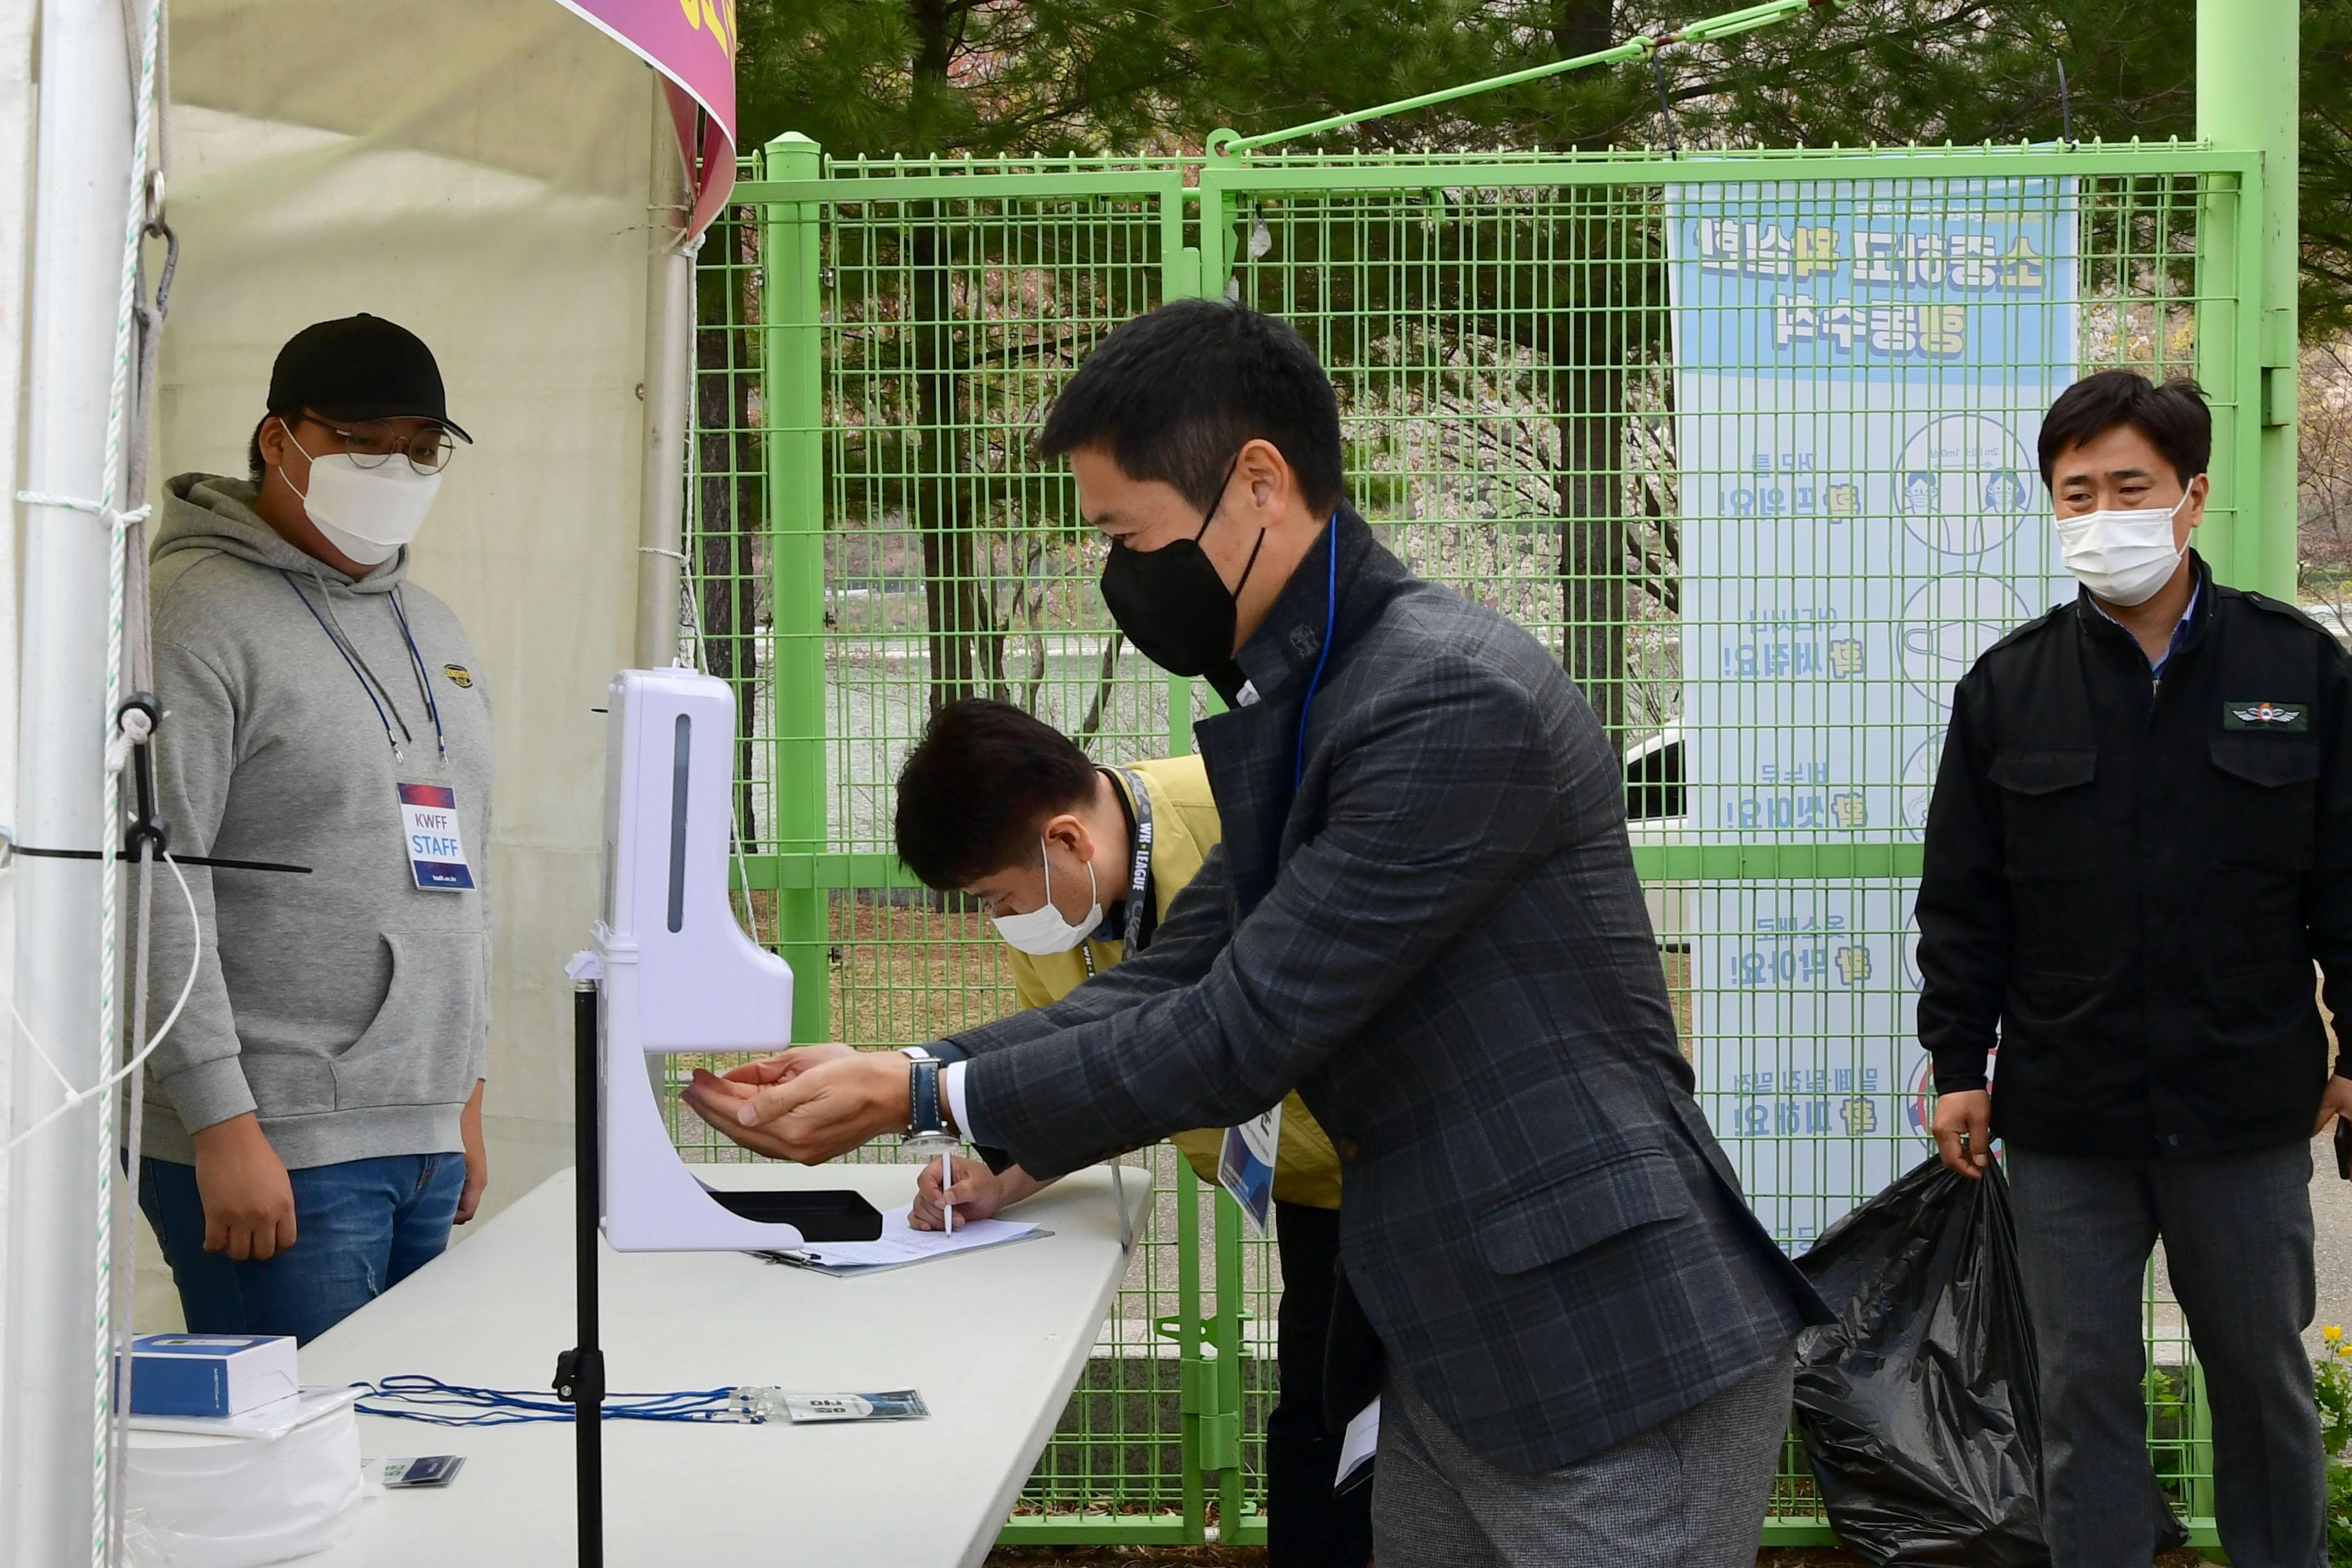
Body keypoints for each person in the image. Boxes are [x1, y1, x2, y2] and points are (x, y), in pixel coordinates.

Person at [683, 299, 1826, 1566]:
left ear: (1258, 486)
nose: (1119, 575)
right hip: (1451, 1341)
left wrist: (921, 1090)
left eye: (1128, 532)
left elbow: (1242, 1029)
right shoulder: (1321, 704)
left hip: (1608, 1356)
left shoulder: (1444, 697)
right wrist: (907, 1071)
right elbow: (1174, 971)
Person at [1919, 369, 2352, 1568]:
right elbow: (1964, 903)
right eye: (2075, 493)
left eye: (2129, 486)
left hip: (2243, 1111)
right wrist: (1959, 1061)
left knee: (2263, 1382)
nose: (2100, 513)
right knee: (2082, 1394)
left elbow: (2346, 887)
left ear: (2191, 495)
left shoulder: (2296, 670)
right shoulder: (2008, 689)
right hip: (2070, 1116)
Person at [887, 697, 1370, 1567]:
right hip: (1310, 1192)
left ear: (1066, 841)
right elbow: (1083, 1069)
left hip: (1405, 1163)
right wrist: (1000, 1174)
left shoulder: (1244, 813)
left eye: (998, 897)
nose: (1001, 921)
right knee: (1316, 1425)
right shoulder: (1052, 914)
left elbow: (1180, 1044)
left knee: (1408, 1441)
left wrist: (912, 1087)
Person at [139, 314, 494, 1345]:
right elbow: (159, 880)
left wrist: (461, 1095)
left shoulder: (435, 626)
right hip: (277, 1138)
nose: (397, 466)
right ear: (276, 441)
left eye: (422, 447)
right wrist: (221, 1125)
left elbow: (469, 864)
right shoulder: (189, 612)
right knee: (303, 1466)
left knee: (402, 1457)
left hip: (420, 1128)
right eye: (363, 440)